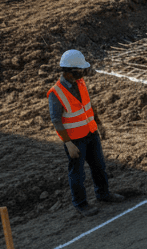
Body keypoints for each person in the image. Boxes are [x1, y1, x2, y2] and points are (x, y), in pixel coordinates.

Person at [47, 49, 124, 218]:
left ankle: (103, 194)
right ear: (69, 71)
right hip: (75, 140)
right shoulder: (56, 93)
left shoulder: (80, 83)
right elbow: (56, 121)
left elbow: (88, 106)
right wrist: (68, 143)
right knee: (77, 173)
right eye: (79, 70)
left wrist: (99, 125)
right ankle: (81, 204)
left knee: (99, 166)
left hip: (91, 133)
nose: (82, 73)